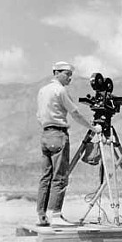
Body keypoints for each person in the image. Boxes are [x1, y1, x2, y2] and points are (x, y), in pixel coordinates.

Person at [36, 61, 101, 227]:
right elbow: (75, 114)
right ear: (56, 72)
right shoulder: (60, 90)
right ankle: (56, 215)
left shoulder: (43, 91)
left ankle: (42, 215)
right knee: (60, 177)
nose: (69, 78)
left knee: (46, 177)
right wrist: (93, 128)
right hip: (58, 134)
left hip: (45, 134)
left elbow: (39, 115)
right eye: (67, 74)